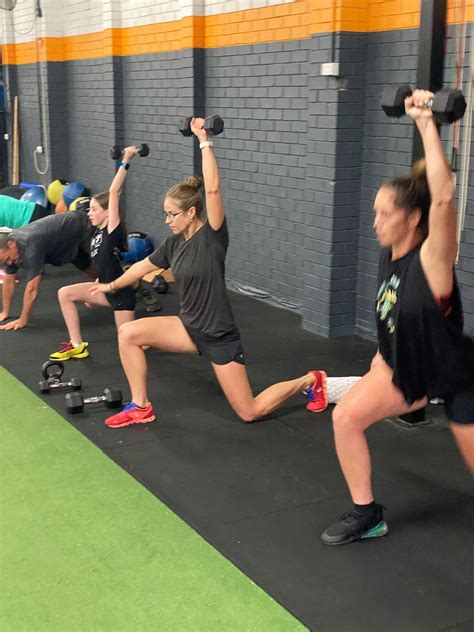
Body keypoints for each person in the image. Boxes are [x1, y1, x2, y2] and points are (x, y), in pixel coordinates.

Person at [90, 117, 323, 429]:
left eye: (172, 214)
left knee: (250, 411)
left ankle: (310, 381)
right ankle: (140, 406)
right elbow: (142, 268)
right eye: (165, 214)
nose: (167, 220)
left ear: (190, 213)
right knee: (128, 334)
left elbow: (212, 189)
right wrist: (110, 286)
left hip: (218, 335)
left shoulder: (212, 235)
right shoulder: (173, 244)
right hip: (188, 327)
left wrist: (204, 140)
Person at [319, 90, 474, 547]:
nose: (376, 222)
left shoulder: (433, 259)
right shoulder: (389, 256)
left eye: (385, 214)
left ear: (413, 219)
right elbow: (394, 318)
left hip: (457, 375)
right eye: (376, 213)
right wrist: (381, 359)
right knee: (346, 418)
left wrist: (425, 121)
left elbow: (443, 198)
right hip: (409, 371)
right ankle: (368, 514)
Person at [48, 147, 138, 360]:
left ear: (108, 212)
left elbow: (114, 192)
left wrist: (126, 159)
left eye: (94, 209)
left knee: (131, 342)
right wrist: (96, 284)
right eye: (89, 209)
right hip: (103, 288)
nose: (89, 213)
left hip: (120, 294)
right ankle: (77, 345)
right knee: (65, 293)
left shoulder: (112, 229)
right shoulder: (97, 233)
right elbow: (102, 262)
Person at [0, 211, 95, 330]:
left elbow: (32, 288)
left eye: (8, 259)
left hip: (80, 226)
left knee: (102, 262)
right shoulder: (10, 250)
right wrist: (5, 312)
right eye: (4, 261)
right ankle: (101, 288)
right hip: (61, 242)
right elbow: (9, 280)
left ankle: (112, 289)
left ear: (11, 245)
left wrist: (22, 320)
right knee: (84, 265)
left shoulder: (30, 247)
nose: (9, 263)